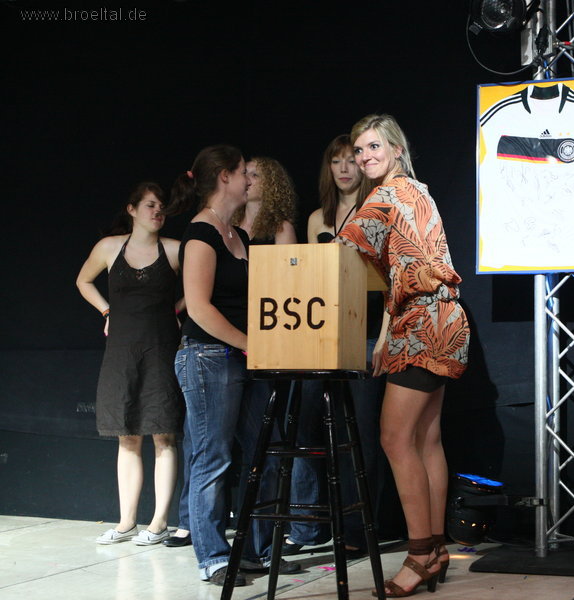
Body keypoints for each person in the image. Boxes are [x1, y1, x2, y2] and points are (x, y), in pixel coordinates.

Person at [336, 114, 471, 597]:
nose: (364, 157)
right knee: (426, 439)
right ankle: (435, 549)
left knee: (395, 439)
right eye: (359, 150)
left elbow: (342, 251)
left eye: (373, 147)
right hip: (443, 320)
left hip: (423, 325)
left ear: (396, 149)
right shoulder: (420, 191)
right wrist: (384, 336)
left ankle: (418, 556)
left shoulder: (387, 195)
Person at [167, 144, 299, 586]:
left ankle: (256, 552)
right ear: (224, 176)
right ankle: (213, 557)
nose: (249, 179)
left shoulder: (236, 235)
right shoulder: (201, 233)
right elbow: (199, 308)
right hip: (209, 357)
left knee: (264, 452)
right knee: (213, 457)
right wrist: (250, 344)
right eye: (244, 171)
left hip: (244, 358)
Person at [282, 135, 385, 558]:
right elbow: (310, 282)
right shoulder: (316, 219)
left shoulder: (375, 209)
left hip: (367, 332)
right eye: (336, 161)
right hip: (324, 334)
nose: (344, 168)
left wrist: (383, 339)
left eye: (351, 160)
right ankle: (310, 526)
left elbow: (389, 281)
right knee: (310, 429)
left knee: (361, 434)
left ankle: (359, 531)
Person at [76, 182, 182, 546]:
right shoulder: (110, 247)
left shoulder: (174, 249)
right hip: (122, 352)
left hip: (161, 350)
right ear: (132, 209)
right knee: (127, 435)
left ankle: (159, 522)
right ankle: (126, 523)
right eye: (150, 205)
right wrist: (107, 310)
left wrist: (177, 310)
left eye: (162, 206)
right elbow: (83, 280)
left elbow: (203, 285)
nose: (158, 211)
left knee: (163, 435)